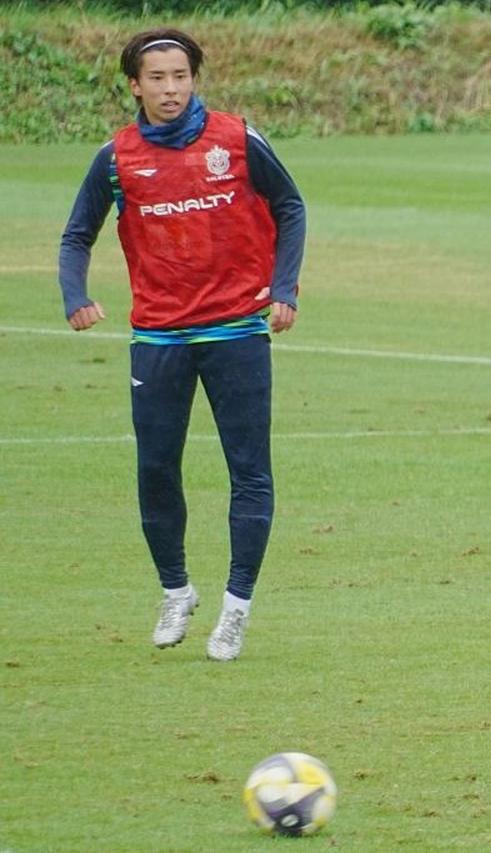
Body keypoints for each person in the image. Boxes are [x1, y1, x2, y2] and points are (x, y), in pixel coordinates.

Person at [56, 28, 306, 662]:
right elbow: (77, 234)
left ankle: (235, 609)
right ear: (135, 86)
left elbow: (291, 206)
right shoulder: (116, 157)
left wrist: (284, 287)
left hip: (237, 330)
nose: (171, 89)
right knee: (156, 468)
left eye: (181, 76)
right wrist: (74, 294)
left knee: (249, 471)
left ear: (194, 79)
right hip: (158, 335)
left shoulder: (237, 139)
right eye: (157, 78)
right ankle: (176, 591)